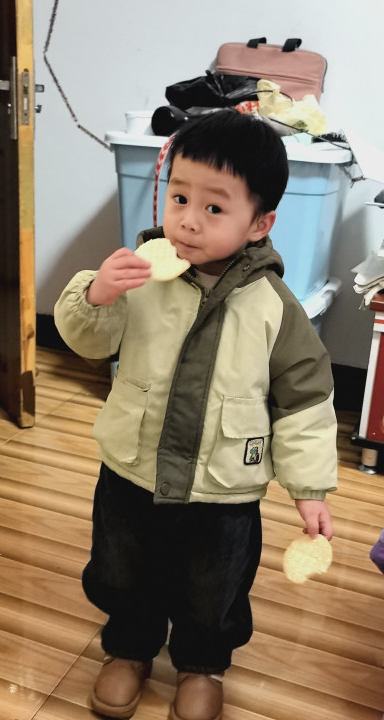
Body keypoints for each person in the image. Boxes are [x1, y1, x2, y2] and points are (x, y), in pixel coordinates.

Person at [54, 110, 338, 720]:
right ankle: (128, 648)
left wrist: (309, 487)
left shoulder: (272, 306)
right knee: (122, 567)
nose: (187, 218)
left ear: (259, 224)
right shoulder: (138, 275)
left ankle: (202, 663)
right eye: (179, 197)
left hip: (223, 487)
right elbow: (88, 342)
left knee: (216, 585)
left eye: (214, 207)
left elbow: (305, 399)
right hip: (133, 469)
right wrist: (97, 294)